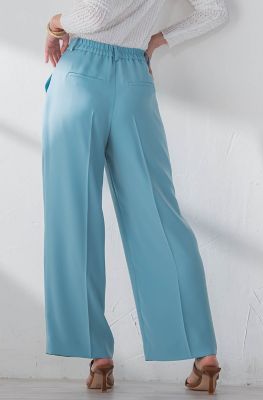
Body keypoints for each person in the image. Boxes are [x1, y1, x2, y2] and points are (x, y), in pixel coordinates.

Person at [42, 0, 229, 394]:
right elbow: (215, 11)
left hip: (80, 76)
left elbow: (94, 15)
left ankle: (99, 356)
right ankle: (204, 353)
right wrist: (157, 38)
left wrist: (55, 23)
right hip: (134, 78)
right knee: (159, 218)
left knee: (73, 216)